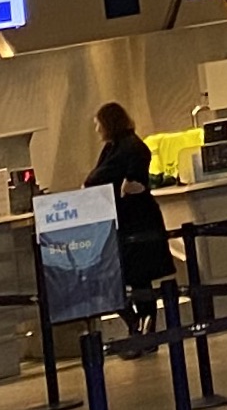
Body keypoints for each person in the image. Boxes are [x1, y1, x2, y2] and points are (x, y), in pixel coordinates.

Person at [85, 102, 178, 338]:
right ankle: (141, 328)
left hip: (134, 225)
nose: (97, 129)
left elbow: (132, 184)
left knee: (135, 280)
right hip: (123, 222)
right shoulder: (114, 148)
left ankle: (142, 329)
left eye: (98, 124)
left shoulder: (130, 147)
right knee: (132, 281)